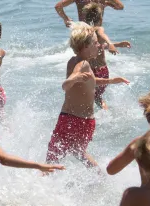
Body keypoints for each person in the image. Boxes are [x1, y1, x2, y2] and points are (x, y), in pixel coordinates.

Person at [46, 23, 129, 168]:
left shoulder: (80, 62)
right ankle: (99, 178)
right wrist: (73, 79)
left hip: (71, 120)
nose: (99, 45)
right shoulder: (82, 63)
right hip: (87, 123)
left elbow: (89, 80)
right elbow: (67, 84)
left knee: (53, 157)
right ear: (85, 47)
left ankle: (44, 181)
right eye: (95, 43)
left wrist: (110, 80)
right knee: (79, 151)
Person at [84, 4, 131, 109]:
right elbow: (102, 38)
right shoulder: (98, 29)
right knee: (96, 98)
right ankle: (105, 116)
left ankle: (101, 116)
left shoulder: (85, 32)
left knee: (93, 97)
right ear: (101, 17)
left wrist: (115, 44)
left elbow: (99, 44)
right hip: (102, 71)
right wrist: (111, 44)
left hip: (91, 70)